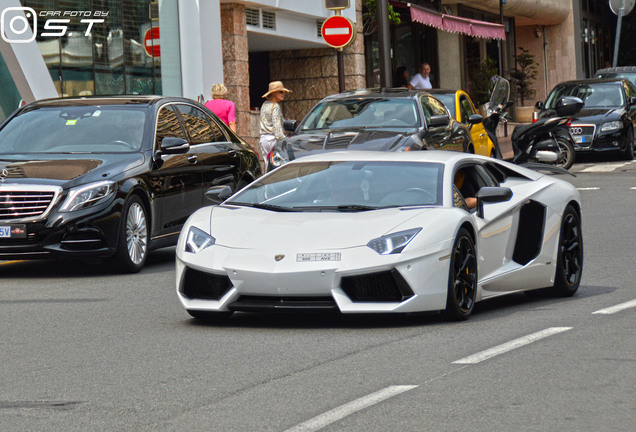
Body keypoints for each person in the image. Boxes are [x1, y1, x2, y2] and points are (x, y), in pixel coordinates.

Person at [259, 80, 291, 163]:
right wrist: (285, 140)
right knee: (279, 165)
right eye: (281, 92)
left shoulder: (265, 104)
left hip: (264, 139)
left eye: (284, 92)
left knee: (267, 164)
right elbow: (277, 129)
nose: (283, 94)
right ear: (273, 93)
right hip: (273, 140)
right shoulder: (275, 106)